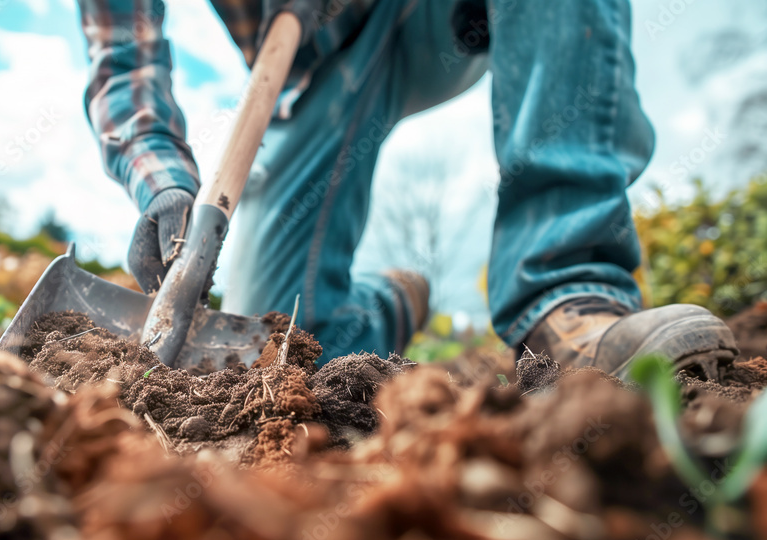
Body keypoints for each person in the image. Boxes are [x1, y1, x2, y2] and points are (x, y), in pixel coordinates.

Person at [75, 0, 738, 376]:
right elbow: (123, 61)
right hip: (320, 66)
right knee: (284, 346)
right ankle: (390, 304)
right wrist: (162, 181)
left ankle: (567, 299)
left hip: (427, 15)